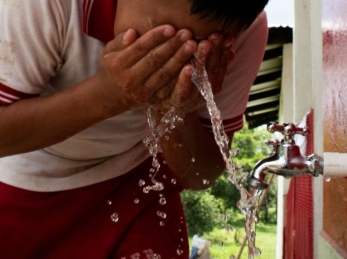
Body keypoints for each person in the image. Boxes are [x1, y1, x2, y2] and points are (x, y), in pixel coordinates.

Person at [0, 0, 269, 258]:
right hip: (18, 173)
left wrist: (176, 107)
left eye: (194, 49)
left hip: (137, 182)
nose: (169, 59)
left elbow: (201, 175)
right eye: (158, 36)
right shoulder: (44, 5)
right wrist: (108, 96)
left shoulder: (243, 26)